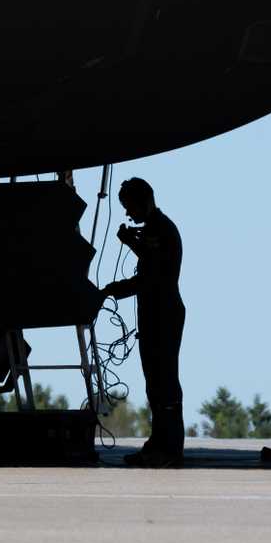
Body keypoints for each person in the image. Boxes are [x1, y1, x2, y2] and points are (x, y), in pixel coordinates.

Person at [103, 177, 185, 467]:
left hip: (164, 313)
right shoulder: (155, 230)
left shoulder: (161, 230)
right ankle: (160, 442)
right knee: (155, 383)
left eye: (130, 207)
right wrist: (132, 243)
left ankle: (170, 447)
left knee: (164, 382)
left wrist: (112, 290)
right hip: (155, 314)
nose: (128, 214)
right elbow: (151, 262)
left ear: (145, 201)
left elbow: (152, 276)